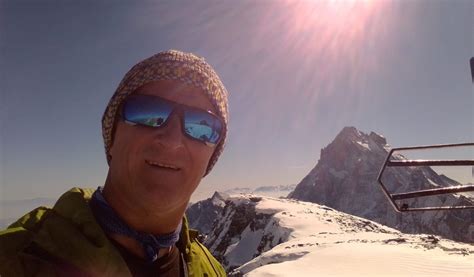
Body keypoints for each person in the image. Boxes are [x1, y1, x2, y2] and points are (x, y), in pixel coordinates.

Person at [0, 50, 229, 276]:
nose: (172, 141)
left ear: (211, 157)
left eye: (203, 127)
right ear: (112, 137)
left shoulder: (212, 271)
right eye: (147, 112)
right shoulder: (17, 258)